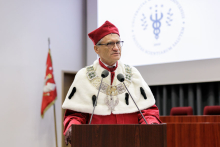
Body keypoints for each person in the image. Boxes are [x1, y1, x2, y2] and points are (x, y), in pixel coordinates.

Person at [62, 20, 162, 145]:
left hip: (131, 140)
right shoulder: (84, 76)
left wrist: (151, 123)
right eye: (110, 44)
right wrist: (73, 127)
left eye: (118, 43)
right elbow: (75, 114)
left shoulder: (132, 73)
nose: (116, 48)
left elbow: (147, 110)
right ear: (96, 49)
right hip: (96, 141)